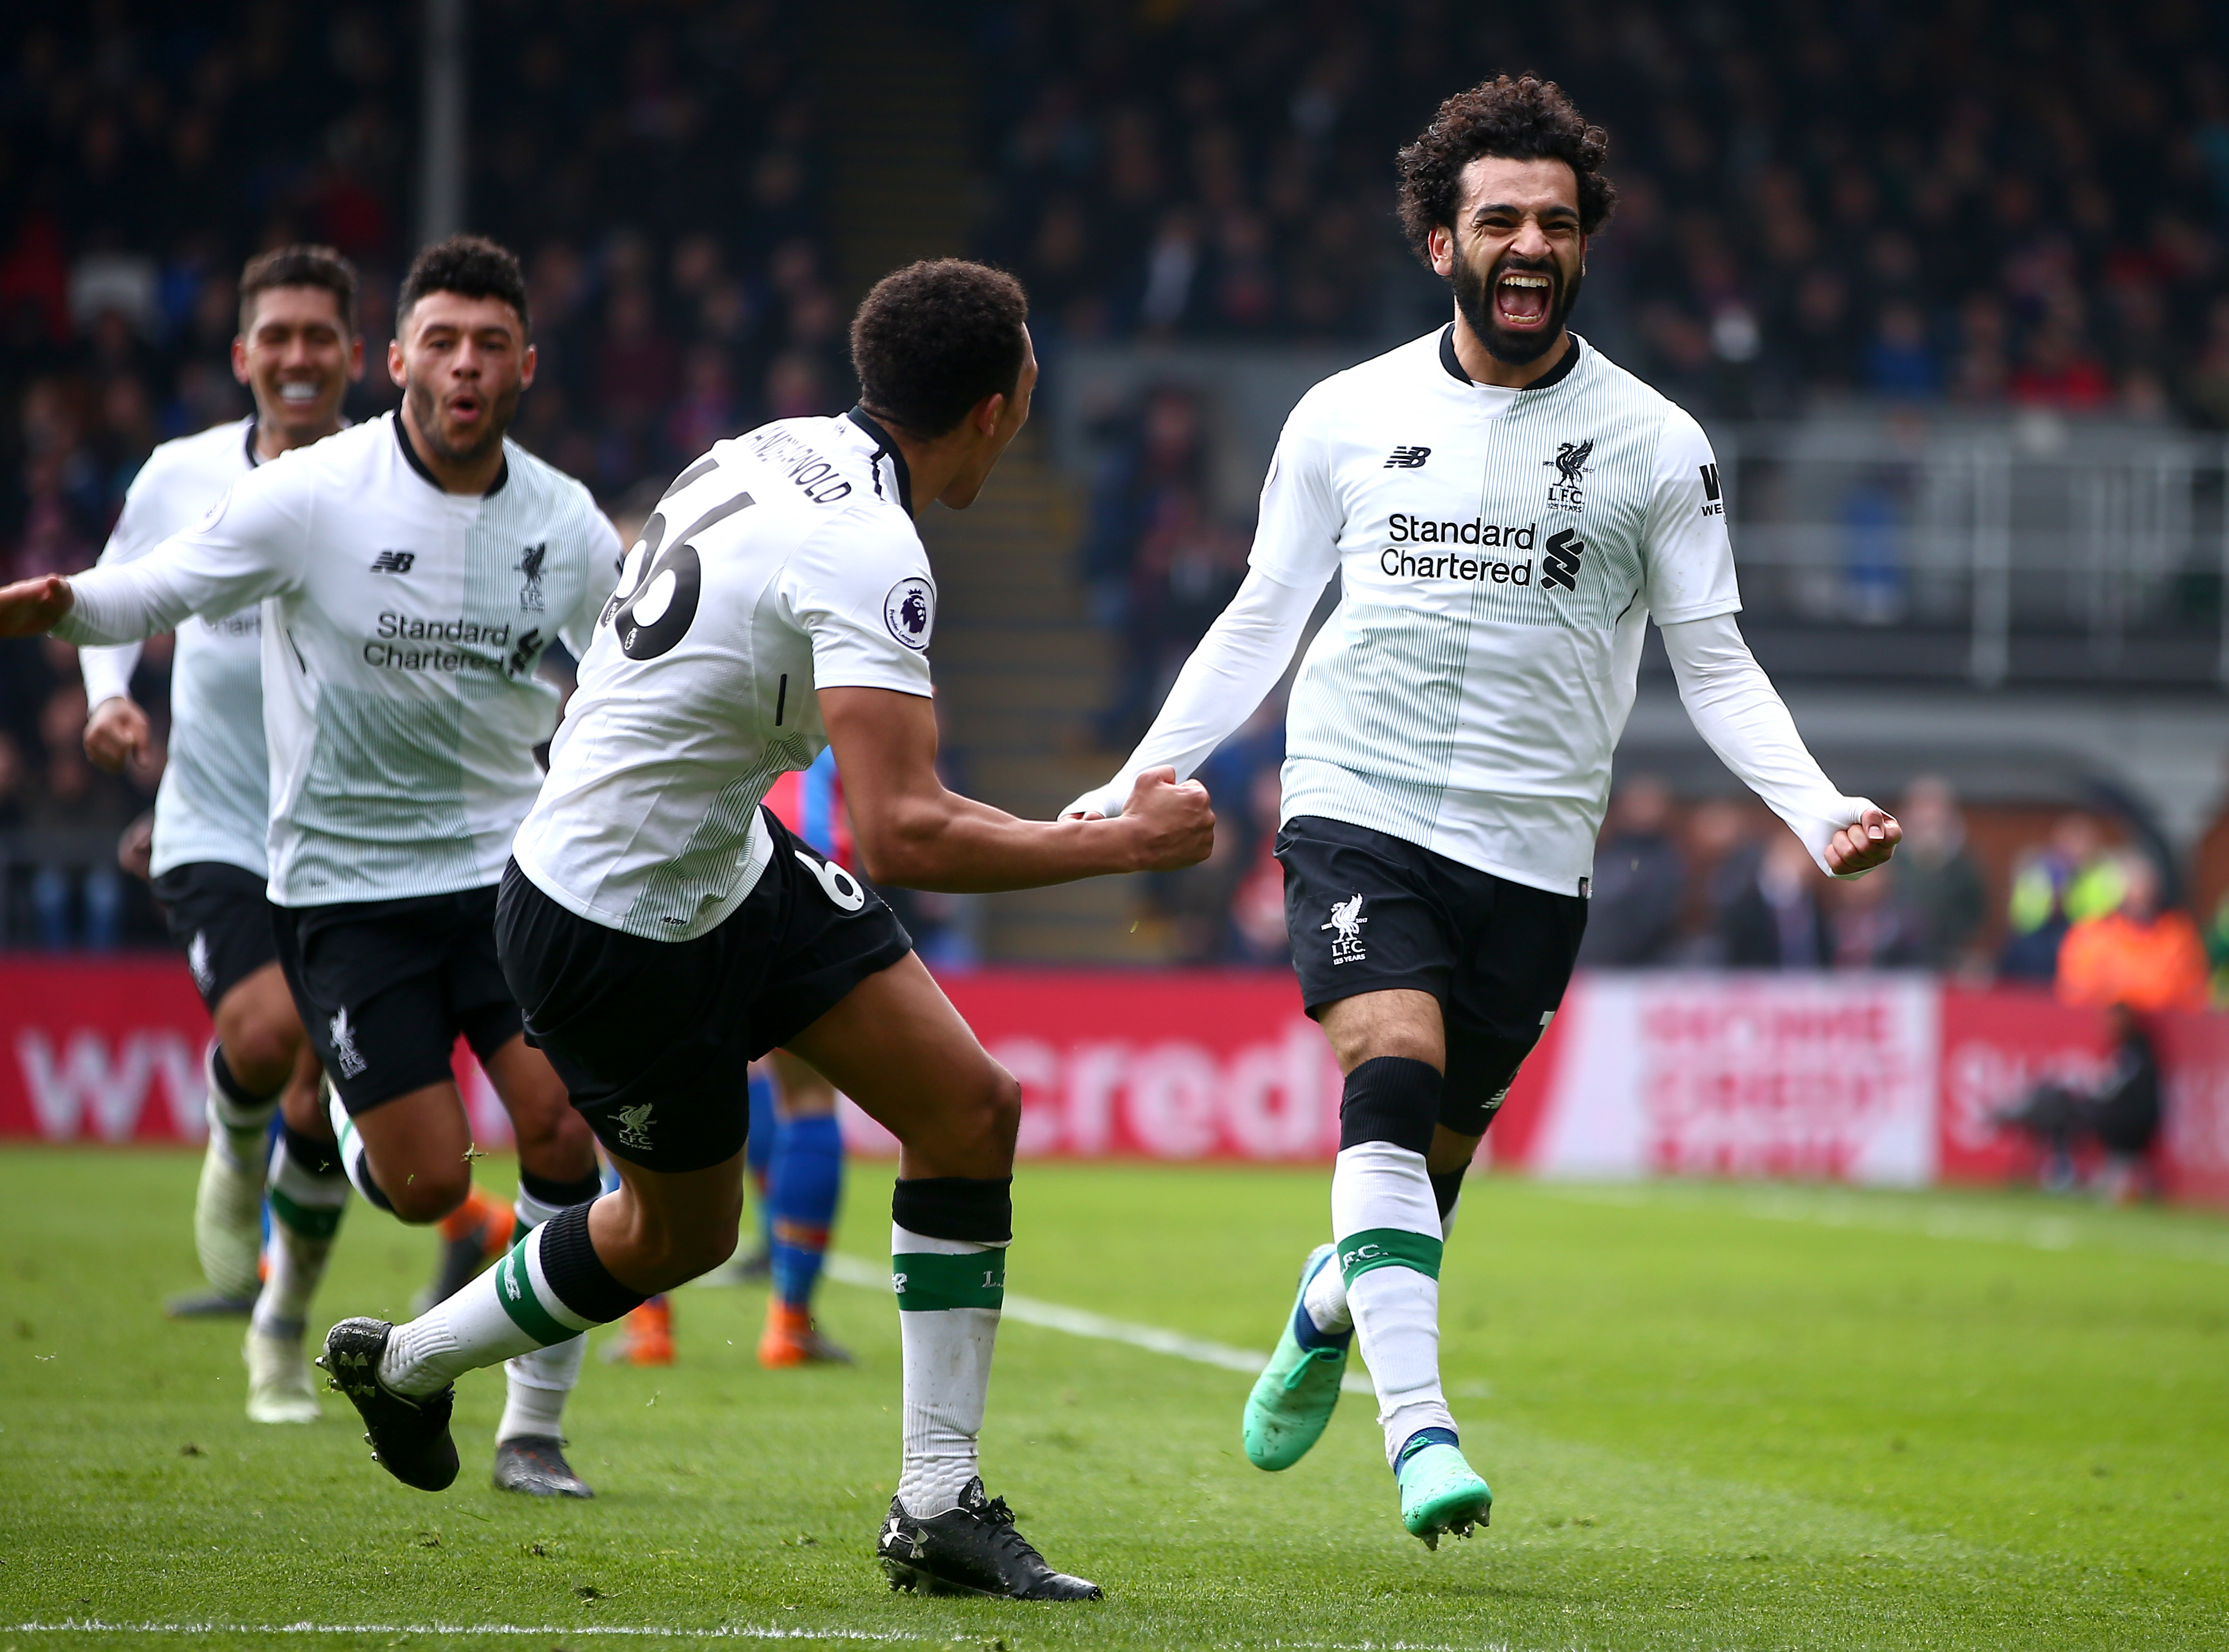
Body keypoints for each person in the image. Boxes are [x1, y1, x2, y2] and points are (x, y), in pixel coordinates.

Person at [1062, 75, 1899, 1550]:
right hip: (1353, 803)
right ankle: (1420, 1432)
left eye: (1554, 223)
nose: (1527, 244)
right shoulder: (1342, 416)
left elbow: (1712, 662)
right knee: (1384, 1072)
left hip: (1529, 853)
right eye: (1497, 219)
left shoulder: (1655, 444)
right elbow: (1264, 614)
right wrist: (1149, 764)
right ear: (1437, 241)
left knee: (1424, 1180)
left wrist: (1812, 802)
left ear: (1584, 247)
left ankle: (1330, 1294)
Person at [301, 260, 1210, 1600]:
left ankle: (937, 1500)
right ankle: (416, 1363)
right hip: (613, 922)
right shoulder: (874, 551)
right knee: (676, 1235)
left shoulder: (778, 447)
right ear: (1000, 407)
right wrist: (1115, 846)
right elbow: (899, 832)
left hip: (719, 860)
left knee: (969, 1109)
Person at [0, 235, 621, 1499]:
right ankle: (325, 1119)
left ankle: (532, 1430)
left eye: (490, 346)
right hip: (346, 892)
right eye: (440, 342)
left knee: (563, 1120)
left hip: (511, 879)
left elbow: (630, 670)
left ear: (524, 368)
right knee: (424, 1182)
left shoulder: (563, 524)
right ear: (397, 361)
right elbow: (161, 586)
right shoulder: (314, 495)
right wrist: (62, 605)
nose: (464, 365)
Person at [74, 246, 361, 1423]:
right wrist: (107, 696)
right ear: (244, 355)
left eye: (319, 336)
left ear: (357, 354)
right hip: (213, 822)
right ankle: (233, 1133)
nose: (297, 356)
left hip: (356, 841)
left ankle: (281, 1328)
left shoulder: (391, 479)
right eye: (276, 336)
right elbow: (110, 586)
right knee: (270, 1038)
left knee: (323, 1079)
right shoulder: (182, 473)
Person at [2056, 852, 2208, 1014]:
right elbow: (2075, 997)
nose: (2139, 895)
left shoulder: (2177, 934)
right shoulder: (2091, 936)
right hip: (2103, 1030)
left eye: (2144, 887)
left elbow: (2193, 995)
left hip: (2167, 1031)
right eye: (2132, 887)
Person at [1574, 774, 1684, 965]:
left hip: (1642, 965)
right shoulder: (1604, 851)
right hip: (1592, 962)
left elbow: (1656, 917)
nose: (1642, 809)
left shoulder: (1667, 860)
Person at [1891, 775, 1987, 970]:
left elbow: (1973, 910)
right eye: (1923, 807)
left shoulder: (1964, 865)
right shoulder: (1890, 860)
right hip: (1899, 962)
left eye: (1935, 808)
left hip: (1949, 959)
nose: (1929, 816)